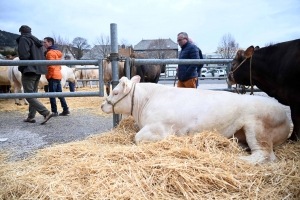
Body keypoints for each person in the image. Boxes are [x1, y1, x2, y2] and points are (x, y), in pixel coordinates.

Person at [16, 25, 53, 124]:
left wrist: (23, 66)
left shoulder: (24, 39)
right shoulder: (37, 41)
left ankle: (46, 113)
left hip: (29, 70)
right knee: (33, 94)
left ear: (21, 32)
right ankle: (31, 117)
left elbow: (24, 55)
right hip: (38, 70)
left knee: (28, 95)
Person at [43, 37, 70, 116]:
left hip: (52, 75)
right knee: (60, 94)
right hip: (58, 75)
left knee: (52, 94)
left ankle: (54, 111)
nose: (43, 44)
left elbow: (50, 66)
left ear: (50, 43)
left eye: (45, 42)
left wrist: (49, 75)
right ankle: (65, 109)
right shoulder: (57, 52)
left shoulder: (50, 53)